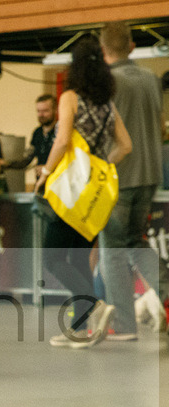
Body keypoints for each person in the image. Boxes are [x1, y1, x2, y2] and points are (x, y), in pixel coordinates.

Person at [35, 35, 132, 349]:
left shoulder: (70, 97)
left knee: (52, 258)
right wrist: (101, 164)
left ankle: (96, 304)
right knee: (78, 260)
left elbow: (62, 141)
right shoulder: (107, 104)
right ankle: (79, 330)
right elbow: (125, 146)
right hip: (95, 194)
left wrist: (45, 173)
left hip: (70, 190)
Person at [98, 22, 167, 339]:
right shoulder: (152, 79)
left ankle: (124, 323)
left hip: (119, 176)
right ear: (131, 46)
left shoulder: (107, 82)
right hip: (150, 174)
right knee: (136, 243)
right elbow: (160, 128)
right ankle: (166, 297)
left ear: (103, 50)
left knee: (112, 250)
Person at [3, 95, 58, 183]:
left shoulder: (61, 132)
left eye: (45, 111)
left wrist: (47, 168)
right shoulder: (37, 133)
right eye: (38, 111)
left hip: (58, 182)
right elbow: (27, 159)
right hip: (41, 182)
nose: (41, 115)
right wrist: (6, 164)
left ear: (55, 110)